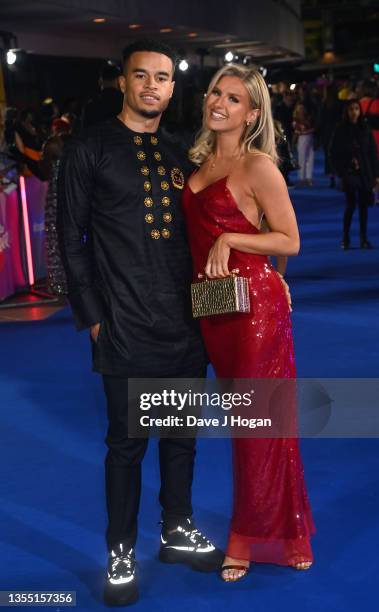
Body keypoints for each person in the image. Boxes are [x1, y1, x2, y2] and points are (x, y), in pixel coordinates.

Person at [57, 40, 223, 607]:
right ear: (122, 82)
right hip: (123, 322)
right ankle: (120, 550)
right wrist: (94, 317)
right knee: (126, 445)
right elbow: (70, 240)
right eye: (141, 75)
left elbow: (207, 237)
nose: (152, 85)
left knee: (181, 438)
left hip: (184, 322)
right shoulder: (89, 149)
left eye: (162, 77)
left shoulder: (183, 153)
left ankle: (177, 529)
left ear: (173, 88)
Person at [182, 64, 315, 582]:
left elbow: (290, 240)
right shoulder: (195, 163)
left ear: (253, 113)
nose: (219, 102)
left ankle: (252, 537)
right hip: (214, 308)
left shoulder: (258, 166)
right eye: (216, 92)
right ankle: (286, 525)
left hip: (255, 311)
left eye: (233, 99)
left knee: (257, 426)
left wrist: (233, 240)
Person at [330, 98, 379, 249]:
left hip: (364, 172)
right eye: (351, 109)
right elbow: (332, 152)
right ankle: (345, 238)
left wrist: (376, 175)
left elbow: (372, 153)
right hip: (348, 172)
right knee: (350, 205)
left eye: (356, 109)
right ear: (347, 111)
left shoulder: (365, 128)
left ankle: (364, 239)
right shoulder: (340, 129)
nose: (354, 112)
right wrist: (340, 171)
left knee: (364, 206)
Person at [82, 62, 124, 129]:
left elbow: (85, 132)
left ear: (100, 81)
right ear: (119, 80)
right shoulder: (127, 103)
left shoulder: (91, 104)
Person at [292, 101, 315, 187]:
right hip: (302, 139)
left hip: (311, 138)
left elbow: (313, 128)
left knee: (310, 158)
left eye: (302, 108)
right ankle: (301, 178)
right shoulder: (296, 119)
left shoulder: (309, 117)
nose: (301, 110)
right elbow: (297, 130)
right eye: (299, 108)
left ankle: (309, 178)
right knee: (302, 159)